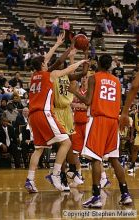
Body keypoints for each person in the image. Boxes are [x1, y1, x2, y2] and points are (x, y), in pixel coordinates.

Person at [24, 33, 87, 193]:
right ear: (43, 66)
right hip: (45, 113)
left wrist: (57, 44)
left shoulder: (33, 77)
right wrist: (80, 61)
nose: (47, 62)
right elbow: (68, 69)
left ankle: (30, 180)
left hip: (32, 116)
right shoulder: (49, 75)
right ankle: (56, 174)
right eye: (45, 63)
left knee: (38, 149)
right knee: (66, 142)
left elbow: (45, 58)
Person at [69, 54, 132, 207]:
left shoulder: (94, 78)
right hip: (113, 121)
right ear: (110, 65)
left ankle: (96, 197)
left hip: (99, 120)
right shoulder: (117, 81)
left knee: (96, 158)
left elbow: (88, 101)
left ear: (98, 64)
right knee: (114, 158)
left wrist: (74, 91)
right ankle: (126, 194)